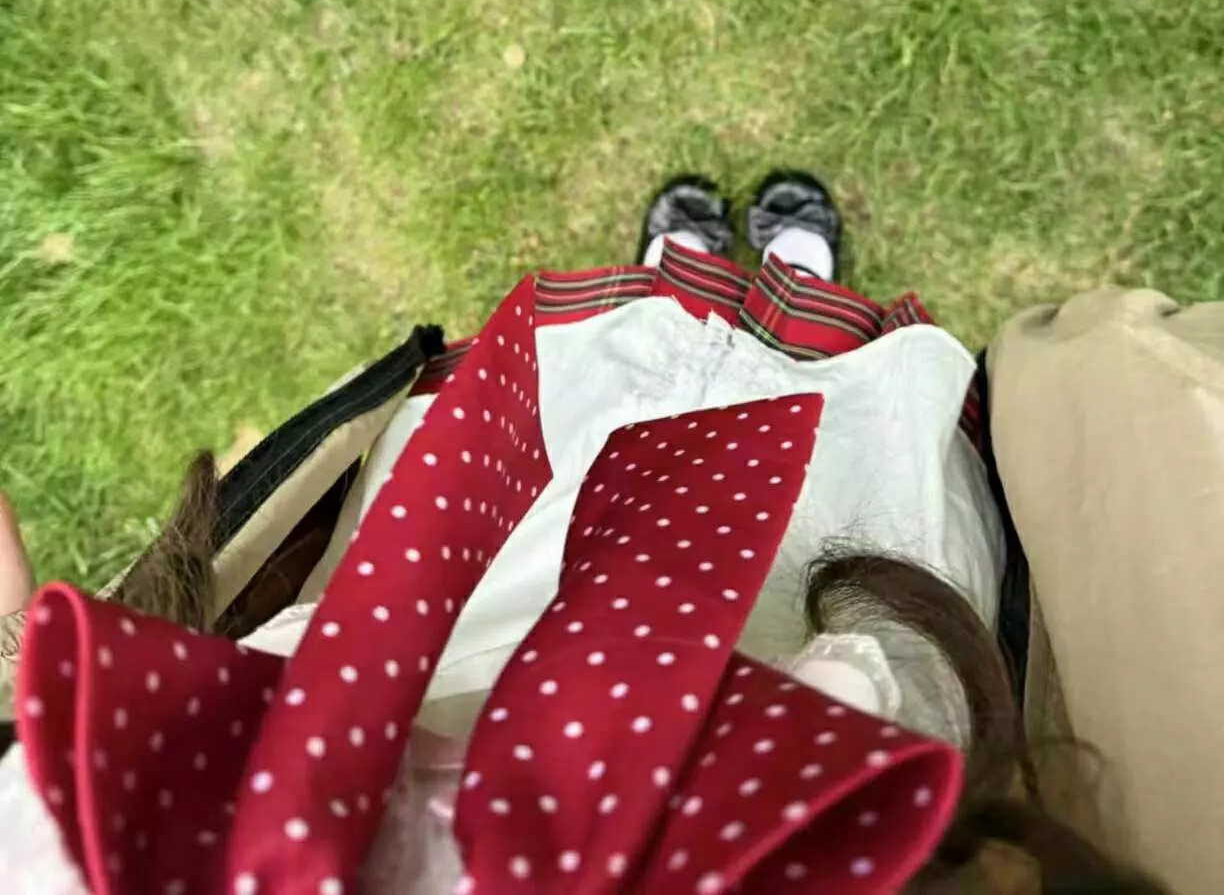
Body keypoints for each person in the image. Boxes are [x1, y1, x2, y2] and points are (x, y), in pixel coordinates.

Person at [0, 172, 1173, 892]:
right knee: (832, 440)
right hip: (836, 631)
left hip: (470, 592)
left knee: (632, 377)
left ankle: (684, 272)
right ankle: (785, 275)